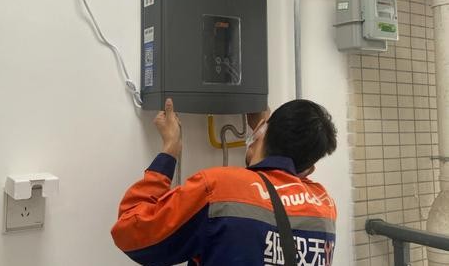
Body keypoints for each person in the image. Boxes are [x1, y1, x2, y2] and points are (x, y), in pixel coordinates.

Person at [112, 98, 337, 265]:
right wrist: (264, 134)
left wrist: (170, 150)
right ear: (308, 170)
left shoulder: (218, 189)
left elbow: (130, 231)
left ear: (262, 131)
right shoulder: (324, 206)